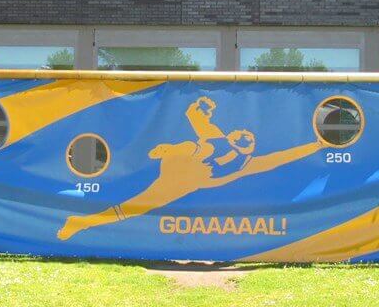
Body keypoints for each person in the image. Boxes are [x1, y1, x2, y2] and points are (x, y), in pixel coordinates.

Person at [57, 96, 323, 240]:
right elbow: (192, 115)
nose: (244, 135)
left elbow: (283, 157)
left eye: (248, 138)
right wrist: (201, 106)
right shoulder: (216, 138)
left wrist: (316, 145)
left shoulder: (249, 163)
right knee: (198, 146)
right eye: (241, 134)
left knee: (134, 207)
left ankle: (81, 222)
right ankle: (169, 150)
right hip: (181, 162)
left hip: (181, 183)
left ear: (250, 147)